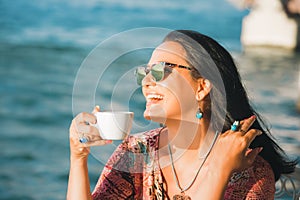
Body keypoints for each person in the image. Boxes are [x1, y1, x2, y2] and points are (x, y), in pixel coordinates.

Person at [67, 30, 297, 200]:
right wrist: (79, 157)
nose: (147, 82)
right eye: (144, 73)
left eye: (160, 71)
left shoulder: (251, 171)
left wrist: (220, 170)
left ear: (202, 87)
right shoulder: (138, 151)